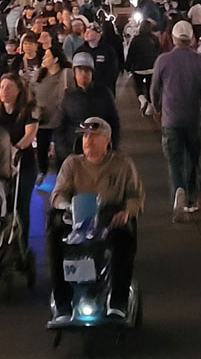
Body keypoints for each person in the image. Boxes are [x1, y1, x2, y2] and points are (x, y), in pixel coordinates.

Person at [49, 117, 145, 321]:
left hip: (109, 217)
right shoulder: (72, 164)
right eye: (85, 136)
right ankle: (63, 302)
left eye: (93, 136)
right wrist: (68, 206)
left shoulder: (122, 164)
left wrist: (127, 212)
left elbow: (135, 195)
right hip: (77, 215)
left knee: (124, 239)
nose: (88, 140)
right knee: (56, 236)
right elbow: (58, 194)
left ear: (107, 140)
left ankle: (117, 300)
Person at [150, 20, 201, 221]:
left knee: (175, 161)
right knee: (193, 159)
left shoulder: (163, 60)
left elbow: (154, 89)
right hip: (194, 119)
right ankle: (191, 199)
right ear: (192, 40)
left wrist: (156, 106)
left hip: (171, 119)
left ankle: (177, 191)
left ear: (173, 38)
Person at [0, 74, 39, 245]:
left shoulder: (28, 109)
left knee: (20, 204)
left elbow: (30, 134)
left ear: (19, 90)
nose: (4, 91)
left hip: (22, 162)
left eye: (9, 87)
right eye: (2, 87)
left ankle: (22, 244)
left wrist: (15, 148)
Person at [55, 52, 120, 167]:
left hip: (100, 150)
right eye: (79, 70)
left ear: (92, 73)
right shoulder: (68, 96)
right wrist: (64, 153)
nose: (83, 74)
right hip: (74, 150)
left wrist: (113, 148)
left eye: (87, 70)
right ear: (74, 73)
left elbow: (114, 122)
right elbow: (60, 127)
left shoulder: (104, 93)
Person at [33, 45, 73, 179]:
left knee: (62, 150)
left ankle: (63, 177)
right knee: (41, 149)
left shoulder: (65, 73)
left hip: (59, 118)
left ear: (55, 59)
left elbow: (69, 92)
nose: (43, 58)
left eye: (47, 55)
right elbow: (31, 92)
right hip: (42, 118)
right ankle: (42, 171)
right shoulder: (39, 74)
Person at [126, 19, 161, 116]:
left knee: (138, 86)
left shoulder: (136, 40)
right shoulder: (154, 38)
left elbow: (131, 55)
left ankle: (142, 100)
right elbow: (159, 51)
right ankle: (150, 106)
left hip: (138, 68)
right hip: (152, 67)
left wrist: (127, 67)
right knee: (150, 87)